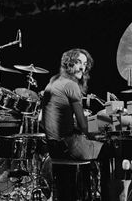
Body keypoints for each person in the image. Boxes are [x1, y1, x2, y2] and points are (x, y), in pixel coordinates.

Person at [40, 48, 114, 200]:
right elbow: (84, 126)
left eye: (85, 64)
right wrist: (107, 123)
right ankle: (108, 197)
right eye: (78, 62)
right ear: (68, 64)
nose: (82, 67)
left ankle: (86, 191)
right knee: (109, 150)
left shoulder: (53, 81)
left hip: (54, 148)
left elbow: (42, 120)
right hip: (70, 147)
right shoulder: (71, 85)